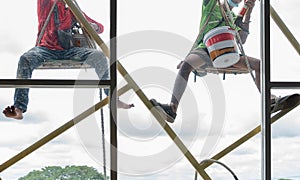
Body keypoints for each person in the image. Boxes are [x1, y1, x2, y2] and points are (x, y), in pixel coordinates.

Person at [150, 0, 299, 123]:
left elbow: (242, 39)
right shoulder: (211, 5)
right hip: (207, 50)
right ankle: (172, 108)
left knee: (259, 65)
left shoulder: (232, 17)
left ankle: (270, 100)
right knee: (186, 66)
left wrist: (248, 12)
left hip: (228, 53)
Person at [3, 0, 133, 120]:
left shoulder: (72, 10)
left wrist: (93, 26)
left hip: (69, 50)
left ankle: (112, 98)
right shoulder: (45, 3)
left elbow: (100, 27)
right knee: (25, 59)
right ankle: (19, 108)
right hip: (45, 49)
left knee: (99, 56)